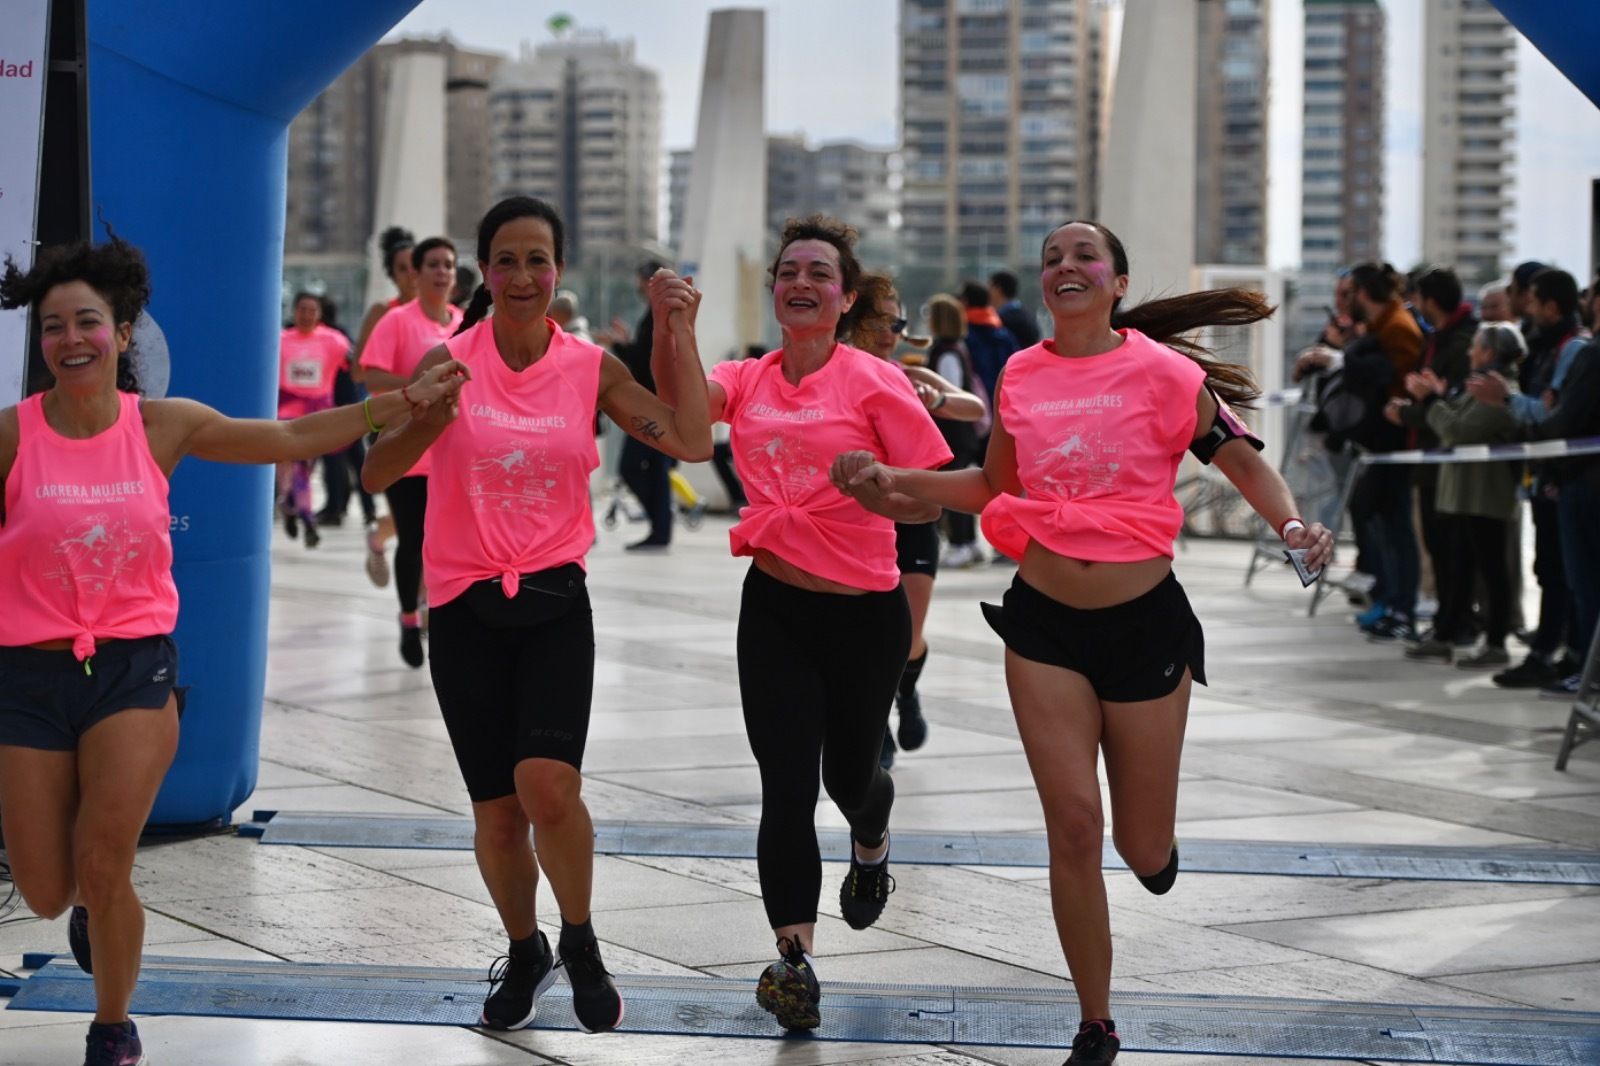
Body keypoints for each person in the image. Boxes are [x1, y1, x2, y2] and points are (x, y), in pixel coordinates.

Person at [834, 220, 1333, 1066]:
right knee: (1072, 825)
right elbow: (993, 485)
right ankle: (1095, 1023)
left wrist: (1290, 524)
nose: (1065, 267)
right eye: (1052, 259)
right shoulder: (1022, 372)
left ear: (1118, 282)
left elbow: (1244, 462)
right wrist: (896, 481)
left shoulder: (1167, 374)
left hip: (1145, 627)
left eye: (1083, 257)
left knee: (1138, 848)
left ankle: (1157, 849)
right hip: (1044, 626)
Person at [0, 237, 464, 1066]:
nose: (71, 340)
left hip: (133, 670)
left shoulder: (163, 426)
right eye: (54, 326)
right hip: (28, 674)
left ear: (124, 329)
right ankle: (83, 902)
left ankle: (113, 1028)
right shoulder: (11, 437)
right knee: (44, 885)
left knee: (106, 862)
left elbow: (290, 439)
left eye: (88, 323)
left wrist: (395, 405)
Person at [364, 196, 711, 1035]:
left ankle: (580, 938)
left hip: (555, 602)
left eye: (539, 260)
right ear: (486, 271)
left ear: (559, 271)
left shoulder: (590, 367)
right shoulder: (449, 359)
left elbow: (694, 442)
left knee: (546, 786)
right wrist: (429, 414)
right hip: (463, 606)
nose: (523, 277)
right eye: (507, 261)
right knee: (496, 814)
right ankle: (525, 949)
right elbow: (377, 473)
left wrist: (679, 334)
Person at [663, 215, 952, 1032]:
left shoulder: (873, 381)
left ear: (845, 295)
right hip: (776, 607)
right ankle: (795, 964)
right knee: (785, 786)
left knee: (848, 779)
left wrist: (879, 488)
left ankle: (872, 840)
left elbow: (931, 493)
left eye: (820, 273)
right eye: (790, 269)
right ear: (775, 287)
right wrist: (676, 328)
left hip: (866, 613)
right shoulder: (749, 377)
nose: (801, 282)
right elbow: (687, 423)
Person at [847, 273, 986, 770]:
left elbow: (974, 406)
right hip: (859, 522)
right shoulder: (838, 375)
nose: (890, 333)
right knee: (868, 636)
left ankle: (906, 692)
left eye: (898, 322)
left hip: (914, 515)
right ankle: (878, 721)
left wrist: (934, 399)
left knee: (908, 633)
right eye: (879, 321)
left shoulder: (909, 373)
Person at [1389, 323, 1525, 668]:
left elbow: (1458, 430)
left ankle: (1495, 643)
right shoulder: (1479, 386)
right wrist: (1438, 399)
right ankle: (1446, 634)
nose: (1469, 352)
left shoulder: (1497, 391)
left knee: (1492, 570)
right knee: (1460, 568)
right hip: (1466, 494)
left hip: (1484, 496)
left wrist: (1431, 400)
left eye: (1476, 347)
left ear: (1490, 353)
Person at [359, 237, 465, 667]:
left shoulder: (465, 323)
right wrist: (420, 386)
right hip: (405, 450)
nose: (441, 272)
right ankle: (408, 617)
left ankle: (433, 610)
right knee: (415, 536)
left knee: (448, 540)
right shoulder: (396, 321)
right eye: (433, 265)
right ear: (415, 275)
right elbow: (371, 378)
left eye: (448, 265)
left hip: (454, 452)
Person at [350, 226, 419, 588]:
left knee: (430, 517)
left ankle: (426, 608)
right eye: (403, 269)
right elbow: (359, 369)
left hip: (431, 423)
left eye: (416, 266)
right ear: (392, 275)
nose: (412, 275)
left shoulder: (443, 315)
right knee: (414, 519)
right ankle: (379, 539)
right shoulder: (384, 312)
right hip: (389, 423)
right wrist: (409, 379)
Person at [599, 261, 675, 549]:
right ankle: (660, 526)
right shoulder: (655, 314)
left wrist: (618, 345)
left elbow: (646, 362)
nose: (638, 286)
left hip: (653, 406)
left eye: (641, 281)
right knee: (654, 470)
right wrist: (625, 342)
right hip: (654, 404)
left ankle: (660, 524)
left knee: (636, 468)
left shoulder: (661, 315)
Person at [275, 292, 352, 548]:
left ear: (319, 314)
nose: (307, 315)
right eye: (302, 309)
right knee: (289, 467)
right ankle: (299, 513)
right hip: (286, 410)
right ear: (294, 312)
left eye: (312, 310)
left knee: (303, 469)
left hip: (317, 412)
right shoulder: (280, 340)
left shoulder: (333, 341)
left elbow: (358, 362)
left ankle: (295, 510)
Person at [927, 294, 989, 569]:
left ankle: (960, 544)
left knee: (955, 492)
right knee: (961, 488)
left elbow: (948, 394)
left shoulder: (946, 352)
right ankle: (970, 544)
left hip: (953, 434)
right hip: (963, 434)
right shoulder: (957, 348)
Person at [990, 269, 1041, 349]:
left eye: (990, 286)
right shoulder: (1026, 314)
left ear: (997, 289)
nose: (987, 291)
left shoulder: (1003, 320)